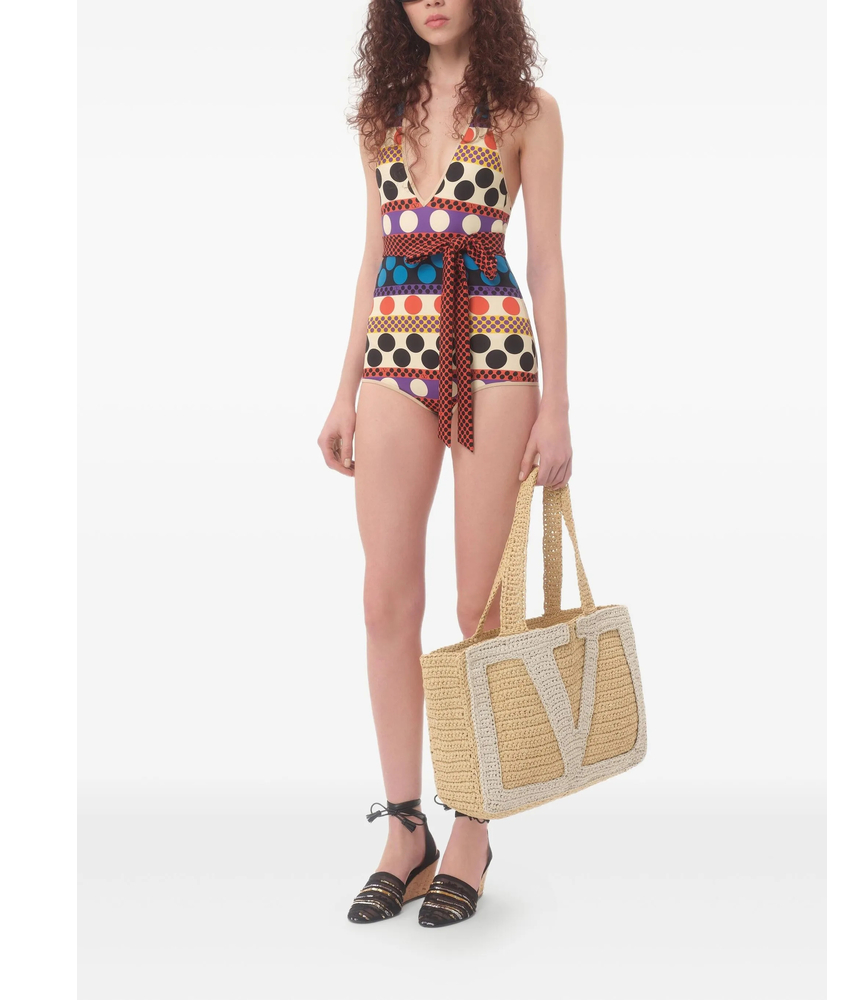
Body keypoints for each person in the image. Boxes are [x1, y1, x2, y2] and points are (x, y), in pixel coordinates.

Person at [317, 0, 571, 927]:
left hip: (494, 352)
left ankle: (474, 825)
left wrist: (558, 407)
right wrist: (343, 391)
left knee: (479, 608)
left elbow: (546, 263)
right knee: (386, 597)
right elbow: (375, 255)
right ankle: (404, 831)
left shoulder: (528, 109)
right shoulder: (380, 112)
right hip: (395, 351)